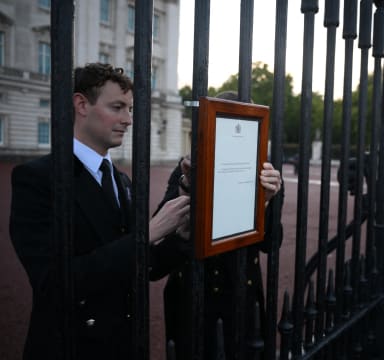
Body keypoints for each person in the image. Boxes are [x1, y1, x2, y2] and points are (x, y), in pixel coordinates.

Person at [9, 63, 191, 360]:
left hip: (126, 343)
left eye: (130, 109)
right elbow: (53, 283)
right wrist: (147, 234)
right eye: (118, 107)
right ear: (81, 105)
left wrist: (180, 237)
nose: (128, 120)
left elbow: (148, 266)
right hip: (73, 345)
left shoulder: (121, 180)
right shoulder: (37, 178)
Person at [158, 91, 283, 360]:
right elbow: (160, 235)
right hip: (192, 293)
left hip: (241, 292)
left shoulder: (264, 171)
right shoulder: (187, 170)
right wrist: (186, 186)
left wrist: (268, 203)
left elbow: (271, 244)